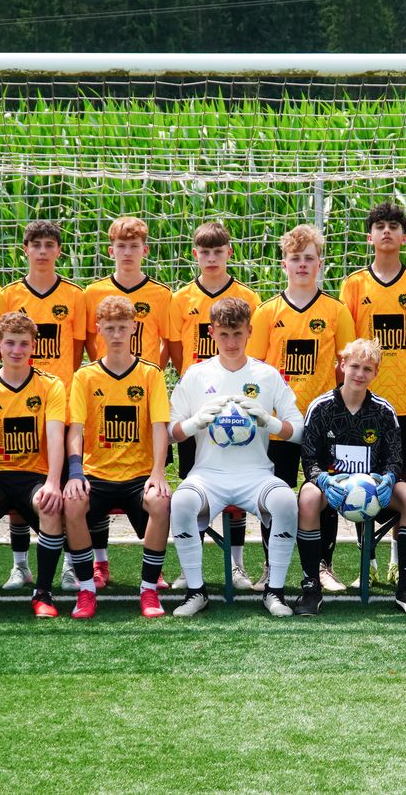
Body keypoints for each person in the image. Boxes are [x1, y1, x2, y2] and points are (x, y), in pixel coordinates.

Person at [167, 297, 304, 618]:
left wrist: (269, 422)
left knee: (286, 501)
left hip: (256, 475)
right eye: (224, 334)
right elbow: (171, 431)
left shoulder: (267, 375)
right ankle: (196, 591)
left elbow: (299, 429)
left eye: (238, 334)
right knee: (181, 501)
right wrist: (195, 422)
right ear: (211, 333)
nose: (231, 342)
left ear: (249, 332)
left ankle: (275, 592)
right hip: (207, 475)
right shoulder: (196, 375)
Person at [247, 224, 355, 593]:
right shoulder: (267, 312)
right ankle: (269, 566)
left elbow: (346, 368)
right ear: (285, 264)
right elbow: (256, 370)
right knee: (272, 494)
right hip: (278, 424)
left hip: (322, 423)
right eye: (296, 258)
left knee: (325, 493)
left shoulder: (336, 311)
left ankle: (323, 566)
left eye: (309, 258)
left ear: (320, 263)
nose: (303, 264)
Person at [293, 338, 406, 617]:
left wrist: (388, 479)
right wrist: (323, 480)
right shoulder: (321, 407)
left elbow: (394, 459)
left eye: (367, 369)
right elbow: (309, 459)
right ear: (342, 365)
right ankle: (311, 586)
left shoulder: (383, 410)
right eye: (354, 366)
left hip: (373, 488)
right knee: (307, 498)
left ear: (375, 373)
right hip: (332, 487)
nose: (359, 374)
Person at [338, 202, 406, 583]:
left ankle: (396, 560)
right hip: (362, 400)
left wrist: (400, 364)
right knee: (360, 476)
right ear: (370, 237)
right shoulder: (354, 284)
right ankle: (370, 563)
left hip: (405, 398)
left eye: (395, 226)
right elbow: (349, 344)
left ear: (405, 237)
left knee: (401, 478)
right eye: (380, 226)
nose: (387, 231)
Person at [64, 296, 173, 619]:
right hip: (96, 473)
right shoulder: (85, 376)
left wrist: (158, 472)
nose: (116, 335)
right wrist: (75, 472)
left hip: (138, 474)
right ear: (98, 329)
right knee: (72, 503)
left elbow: (159, 427)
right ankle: (86, 589)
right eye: (109, 328)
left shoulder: (150, 374)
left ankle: (148, 589)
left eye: (122, 328)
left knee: (160, 503)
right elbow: (76, 430)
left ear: (134, 328)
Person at [166, 221, 260, 591]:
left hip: (238, 403)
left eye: (218, 251)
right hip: (198, 403)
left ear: (229, 253)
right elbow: (177, 351)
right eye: (204, 252)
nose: (211, 258)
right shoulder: (181, 298)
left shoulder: (247, 296)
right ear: (195, 254)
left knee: (237, 480)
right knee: (195, 484)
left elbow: (253, 348)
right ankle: (190, 568)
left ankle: (237, 565)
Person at [82, 216, 173, 586]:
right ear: (111, 250)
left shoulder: (161, 294)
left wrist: (145, 373)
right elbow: (87, 341)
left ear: (145, 250)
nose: (128, 252)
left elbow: (169, 343)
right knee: (100, 476)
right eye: (121, 246)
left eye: (134, 246)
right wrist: (108, 372)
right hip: (104, 391)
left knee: (145, 483)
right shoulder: (93, 292)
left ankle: (155, 568)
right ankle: (99, 563)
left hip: (144, 393)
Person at [0, 220, 87, 593]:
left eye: (49, 245)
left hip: (58, 403)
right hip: (16, 401)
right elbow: (1, 345)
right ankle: (20, 566)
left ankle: (69, 565)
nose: (43, 251)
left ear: (58, 251)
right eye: (36, 245)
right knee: (20, 479)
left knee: (60, 489)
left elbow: (77, 350)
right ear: (25, 250)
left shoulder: (75, 295)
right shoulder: (8, 295)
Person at [0, 312, 67, 620]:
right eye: (10, 343)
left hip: (34, 476)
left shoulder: (51, 385)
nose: (17, 350)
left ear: (34, 346)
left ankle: (43, 593)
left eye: (24, 344)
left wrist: (52, 483)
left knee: (50, 506)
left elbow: (56, 436)